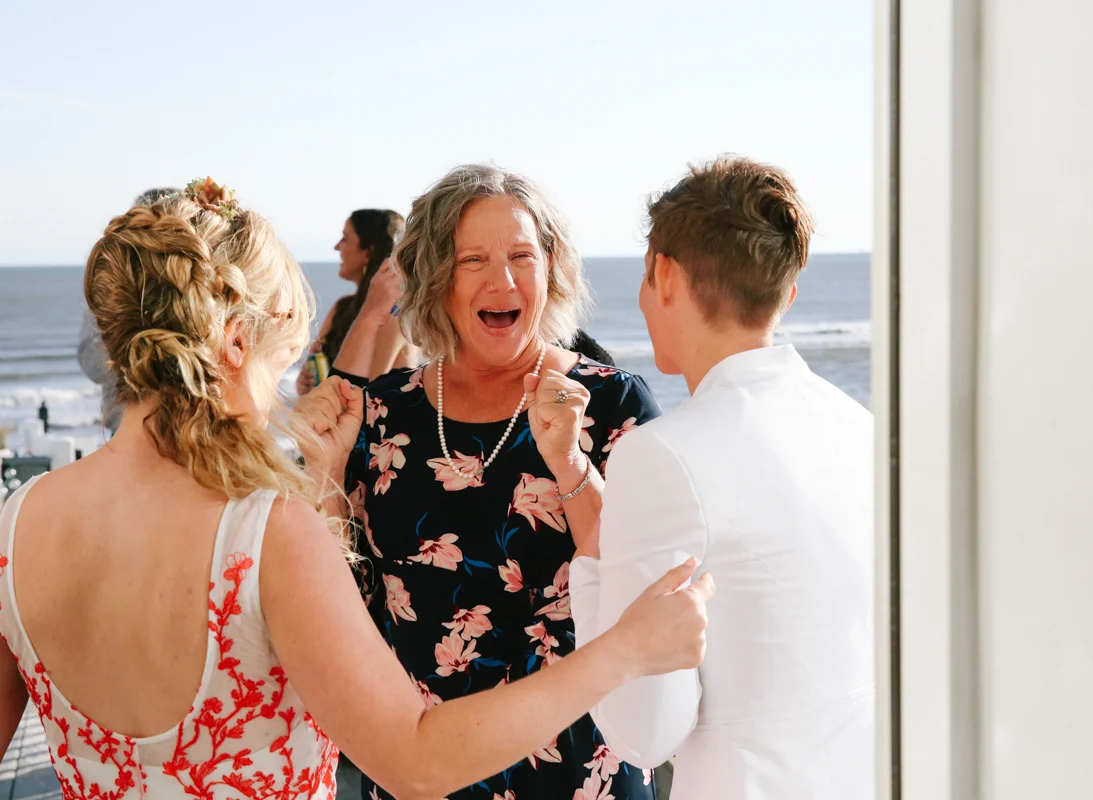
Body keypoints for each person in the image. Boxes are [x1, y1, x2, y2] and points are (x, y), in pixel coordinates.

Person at [0, 177, 715, 800]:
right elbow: (413, 756)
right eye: (283, 360)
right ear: (235, 348)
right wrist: (623, 654)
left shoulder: (16, 522)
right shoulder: (267, 530)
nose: (283, 390)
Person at [329, 165, 664, 800]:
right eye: (471, 259)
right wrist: (322, 473)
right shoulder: (385, 412)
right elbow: (346, 595)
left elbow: (645, 590)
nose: (501, 279)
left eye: (521, 255)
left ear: (551, 266)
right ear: (433, 277)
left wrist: (571, 466)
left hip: (577, 771)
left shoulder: (611, 403)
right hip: (423, 771)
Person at [568, 157, 875, 800]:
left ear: (664, 274)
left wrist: (591, 562)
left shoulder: (660, 457)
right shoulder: (859, 427)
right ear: (785, 296)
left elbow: (640, 733)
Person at [77, 186, 178, 434]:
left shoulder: (196, 287)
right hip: (125, 426)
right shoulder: (108, 288)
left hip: (188, 429)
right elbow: (92, 365)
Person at [295, 210, 416, 396]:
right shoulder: (341, 308)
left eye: (345, 239)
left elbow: (371, 397)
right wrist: (304, 382)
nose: (336, 247)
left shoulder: (394, 317)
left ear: (368, 252)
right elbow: (313, 364)